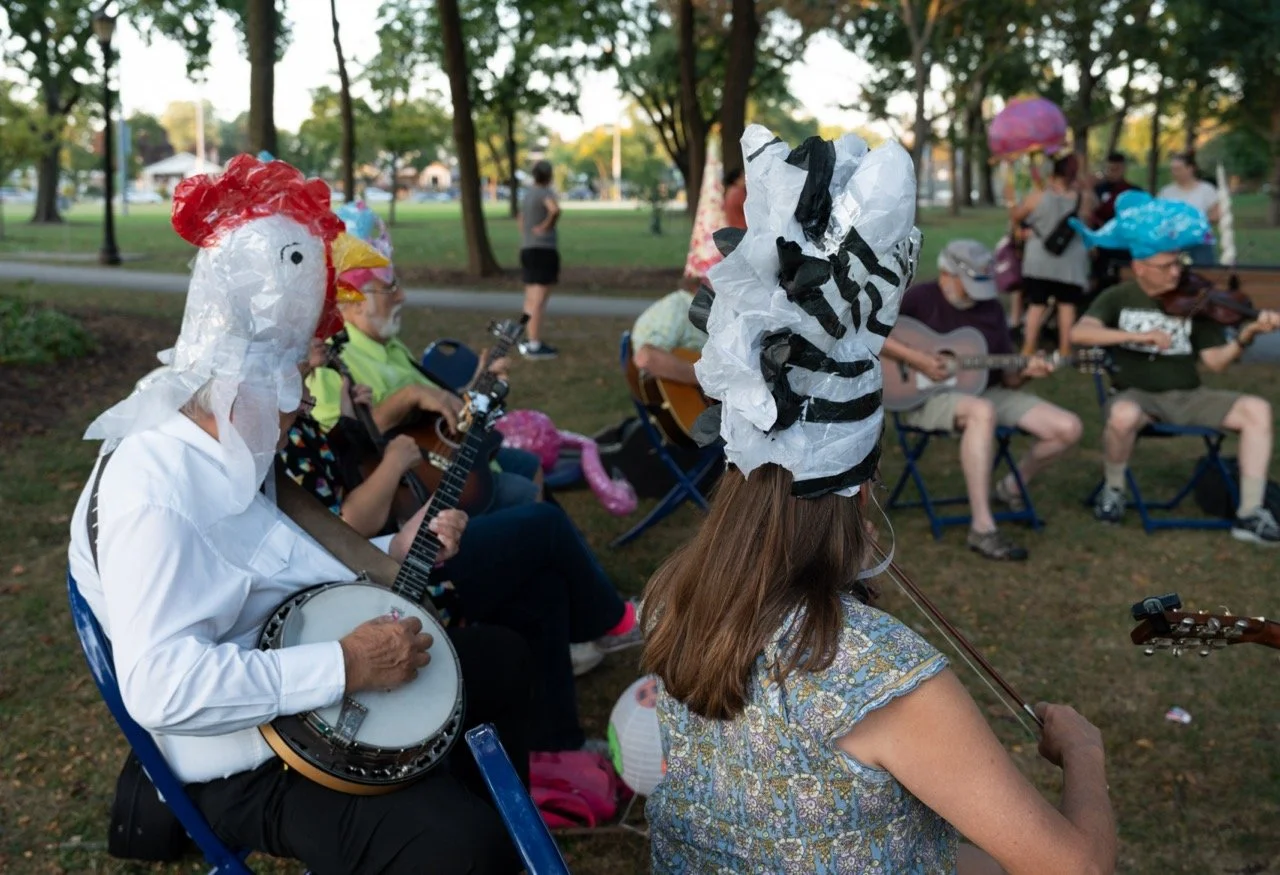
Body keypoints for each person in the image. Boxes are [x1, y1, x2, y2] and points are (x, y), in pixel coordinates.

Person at [643, 127, 1117, 875]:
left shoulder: (671, 601)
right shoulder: (873, 668)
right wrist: (1086, 754)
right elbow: (1079, 866)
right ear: (863, 485)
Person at [66, 155, 530, 874]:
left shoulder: (226, 438)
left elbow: (264, 553)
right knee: (453, 845)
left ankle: (483, 813)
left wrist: (393, 543)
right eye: (289, 389)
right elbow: (160, 686)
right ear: (234, 383)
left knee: (499, 661)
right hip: (234, 752)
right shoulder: (152, 489)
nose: (296, 410)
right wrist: (343, 663)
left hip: (295, 674)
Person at [282, 339, 646, 749]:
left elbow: (343, 468)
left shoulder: (308, 405)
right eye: (314, 331)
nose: (326, 339)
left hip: (392, 544)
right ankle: (610, 622)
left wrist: (354, 412)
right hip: (385, 580)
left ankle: (556, 744)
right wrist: (393, 465)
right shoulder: (286, 435)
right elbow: (345, 524)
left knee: (543, 589)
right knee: (542, 525)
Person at [1069, 191, 1280, 544]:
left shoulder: (1196, 301)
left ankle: (1250, 513)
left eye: (1178, 263)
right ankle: (1114, 491)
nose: (1176, 272)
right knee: (1121, 416)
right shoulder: (1118, 298)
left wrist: (1246, 336)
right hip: (1137, 397)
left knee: (1257, 410)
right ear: (1139, 267)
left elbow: (1214, 362)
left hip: (1188, 395)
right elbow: (1079, 332)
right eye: (1165, 266)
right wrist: (1135, 336)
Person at [307, 202, 544, 512]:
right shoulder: (328, 362)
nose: (402, 296)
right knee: (531, 502)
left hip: (452, 454)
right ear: (353, 301)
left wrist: (479, 382)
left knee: (530, 465)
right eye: (389, 287)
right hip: (421, 491)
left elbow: (435, 414)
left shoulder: (388, 345)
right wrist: (407, 396)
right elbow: (341, 449)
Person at [882, 239, 1084, 562]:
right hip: (923, 398)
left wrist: (1029, 371)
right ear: (947, 274)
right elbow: (873, 336)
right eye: (969, 285)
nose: (978, 294)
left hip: (984, 391)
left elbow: (1009, 378)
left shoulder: (990, 308)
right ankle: (982, 526)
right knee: (982, 412)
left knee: (1068, 427)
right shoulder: (918, 298)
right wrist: (917, 360)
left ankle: (1012, 488)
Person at [1008, 152, 1096, 358]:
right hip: (1071, 262)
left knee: (1036, 306)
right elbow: (1090, 221)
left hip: (1039, 260)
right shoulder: (1085, 199)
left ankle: (1028, 347)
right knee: (1067, 306)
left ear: (1053, 173)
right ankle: (1065, 350)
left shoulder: (1037, 197)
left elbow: (1016, 217)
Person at [518, 159, 561, 359]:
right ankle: (534, 345)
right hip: (543, 251)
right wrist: (545, 227)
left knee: (530, 298)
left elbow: (520, 218)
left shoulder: (527, 195)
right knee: (539, 300)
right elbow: (555, 210)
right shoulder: (545, 193)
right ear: (549, 175)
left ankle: (528, 339)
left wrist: (527, 234)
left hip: (527, 249)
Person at [1158, 152, 1220, 266]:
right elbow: (1158, 218)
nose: (1174, 173)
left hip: (1201, 244)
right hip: (1174, 245)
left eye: (1178, 169)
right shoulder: (1166, 192)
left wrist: (1193, 222)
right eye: (1172, 169)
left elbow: (1216, 215)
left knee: (1203, 276)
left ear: (1190, 169)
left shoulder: (1206, 189)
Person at [1090, 151, 1137, 293]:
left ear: (1123, 168)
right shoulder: (1096, 190)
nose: (1113, 173)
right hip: (1100, 243)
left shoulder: (1133, 192)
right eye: (1110, 169)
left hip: (1123, 245)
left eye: (1116, 169)